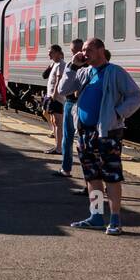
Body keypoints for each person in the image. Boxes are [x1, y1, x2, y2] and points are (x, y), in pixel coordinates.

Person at [57, 37, 140, 235]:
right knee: (92, 176)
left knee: (111, 177)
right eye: (83, 50)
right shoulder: (85, 72)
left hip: (107, 133)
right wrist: (72, 66)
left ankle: (115, 219)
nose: (84, 53)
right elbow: (63, 90)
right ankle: (96, 216)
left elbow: (136, 96)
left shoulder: (115, 72)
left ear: (100, 50)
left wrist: (118, 112)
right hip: (85, 133)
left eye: (88, 50)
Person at [57, 38, 83, 178]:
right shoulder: (70, 65)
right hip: (69, 103)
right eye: (73, 51)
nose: (75, 53)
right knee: (67, 138)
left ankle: (89, 177)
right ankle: (65, 168)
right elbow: (63, 88)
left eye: (78, 50)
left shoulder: (89, 66)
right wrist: (73, 66)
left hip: (82, 105)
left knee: (82, 142)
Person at [43, 44, 66, 151]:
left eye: (51, 52)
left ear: (57, 53)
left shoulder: (61, 65)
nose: (49, 54)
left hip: (56, 97)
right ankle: (57, 145)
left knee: (58, 122)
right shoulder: (55, 64)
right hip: (52, 96)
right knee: (54, 120)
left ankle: (59, 148)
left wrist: (54, 95)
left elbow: (58, 81)